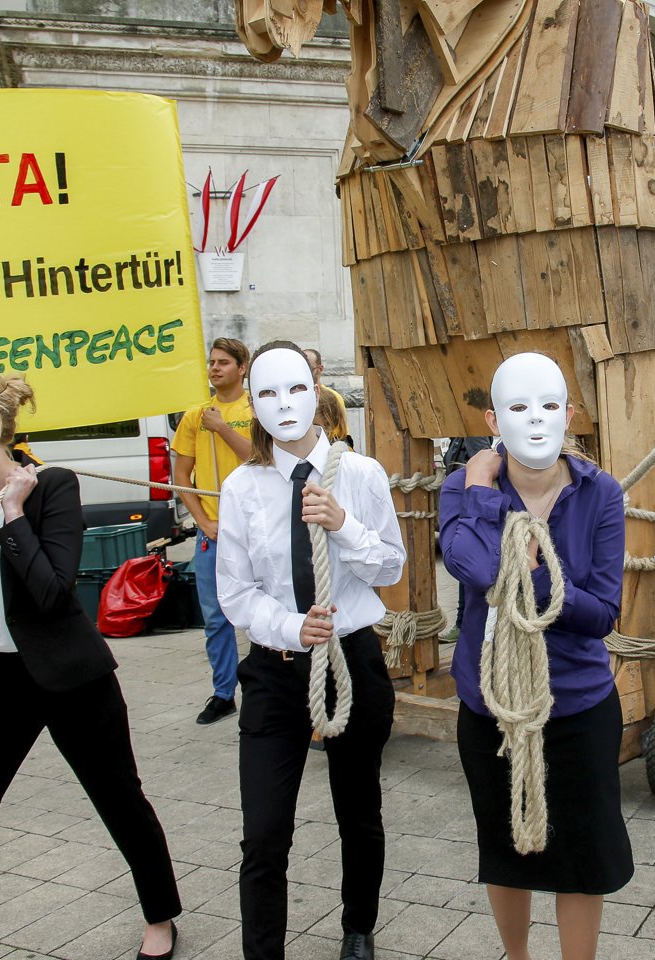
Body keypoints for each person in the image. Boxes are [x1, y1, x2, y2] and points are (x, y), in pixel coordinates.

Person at [0, 365, 181, 960]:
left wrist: (14, 516)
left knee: (121, 801)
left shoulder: (53, 486)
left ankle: (161, 915)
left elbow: (53, 592)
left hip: (72, 680)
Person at [439, 352, 632, 960]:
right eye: (518, 408)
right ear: (493, 421)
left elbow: (603, 612)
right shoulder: (462, 487)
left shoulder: (599, 493)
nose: (537, 419)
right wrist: (482, 495)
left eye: (550, 405)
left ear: (570, 414)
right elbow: (468, 564)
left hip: (578, 705)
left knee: (581, 856)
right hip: (493, 706)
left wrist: (534, 577)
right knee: (504, 848)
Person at [216, 341, 405, 960]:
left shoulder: (359, 474)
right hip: (277, 671)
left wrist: (343, 524)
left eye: (295, 389)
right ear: (252, 400)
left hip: (353, 661)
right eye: (267, 393)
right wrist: (290, 627)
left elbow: (390, 567)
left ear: (316, 390)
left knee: (358, 808)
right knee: (264, 831)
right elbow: (236, 593)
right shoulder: (242, 487)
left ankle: (359, 928)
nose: (284, 404)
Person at [172, 337, 253, 725]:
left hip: (254, 529)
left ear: (242, 367)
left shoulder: (256, 408)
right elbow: (180, 475)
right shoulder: (194, 415)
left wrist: (221, 428)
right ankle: (224, 692)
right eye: (211, 362)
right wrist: (203, 522)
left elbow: (258, 458)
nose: (215, 368)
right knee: (216, 618)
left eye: (224, 362)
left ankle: (266, 686)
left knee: (263, 611)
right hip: (213, 531)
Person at [439, 435, 493, 643]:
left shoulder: (473, 434)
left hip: (472, 504)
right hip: (464, 502)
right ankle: (464, 624)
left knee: (467, 566)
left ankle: (463, 624)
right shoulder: (458, 438)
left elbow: (484, 458)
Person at [303, 347, 350, 445]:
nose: (304, 373)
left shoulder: (332, 397)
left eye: (308, 369)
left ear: (320, 369)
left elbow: (342, 434)